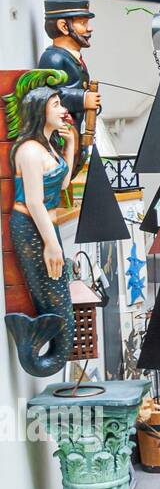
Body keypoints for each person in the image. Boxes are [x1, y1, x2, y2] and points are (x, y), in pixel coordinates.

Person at [3, 82, 76, 377]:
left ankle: (42, 339)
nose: (63, 110)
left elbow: (63, 183)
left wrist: (70, 146)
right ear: (39, 110)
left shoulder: (48, 147)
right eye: (56, 104)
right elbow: (33, 202)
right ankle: (30, 344)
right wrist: (51, 244)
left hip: (47, 229)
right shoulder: (29, 151)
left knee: (61, 294)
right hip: (33, 230)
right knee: (54, 293)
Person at [36, 0, 99, 152]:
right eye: (83, 23)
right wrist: (83, 99)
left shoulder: (73, 57)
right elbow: (50, 94)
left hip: (74, 131)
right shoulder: (53, 58)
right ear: (64, 26)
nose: (90, 29)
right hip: (61, 135)